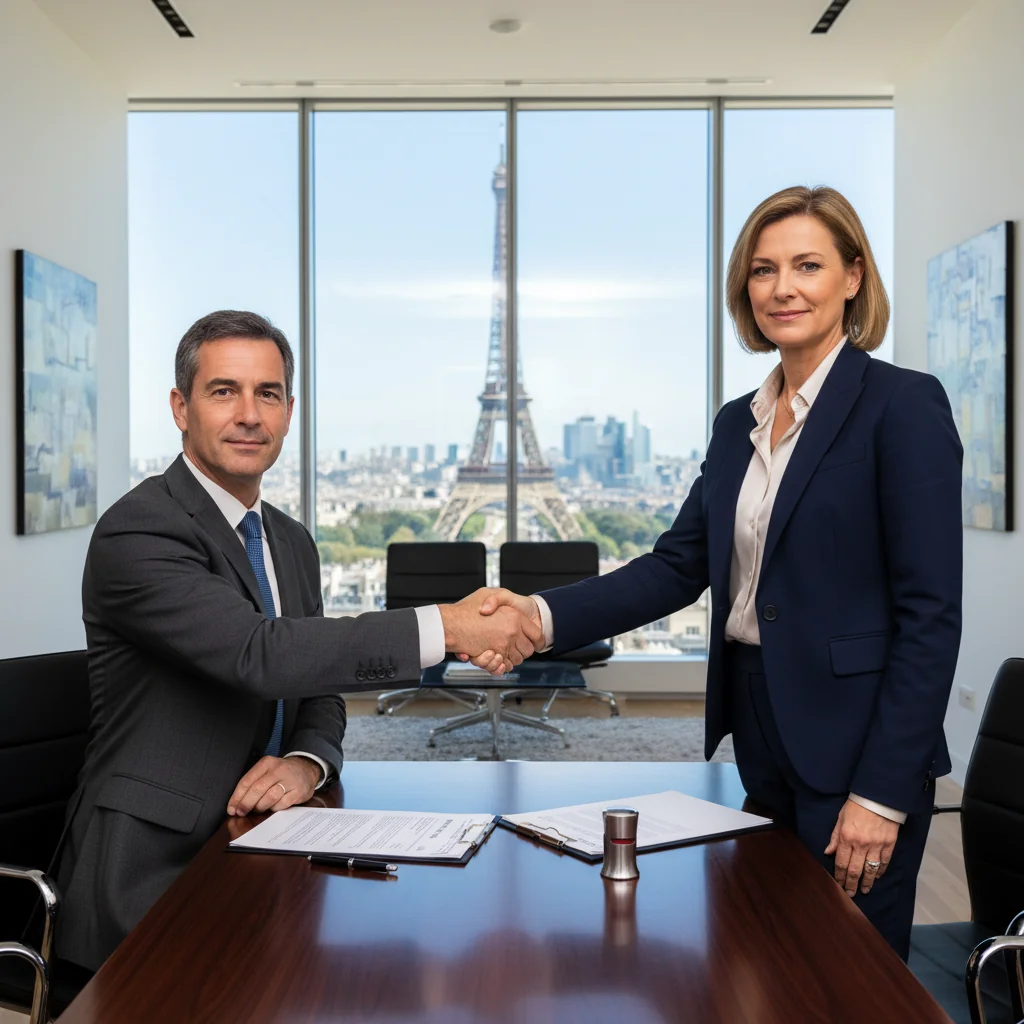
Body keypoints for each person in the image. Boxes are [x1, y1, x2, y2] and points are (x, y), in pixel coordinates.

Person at [472, 186, 963, 960]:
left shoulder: (901, 405)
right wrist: (539, 618)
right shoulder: (740, 422)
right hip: (762, 723)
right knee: (764, 955)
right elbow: (679, 566)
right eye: (763, 270)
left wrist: (881, 793)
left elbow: (931, 616)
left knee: (848, 977)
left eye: (808, 264)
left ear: (854, 276)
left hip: (857, 739)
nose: (783, 287)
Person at [57, 310, 542, 970]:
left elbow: (318, 686)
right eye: (224, 391)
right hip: (153, 877)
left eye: (269, 393)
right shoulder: (139, 531)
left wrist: (307, 762)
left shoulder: (290, 541)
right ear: (181, 407)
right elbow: (263, 655)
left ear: (290, 411)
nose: (249, 415)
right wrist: (449, 626)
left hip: (272, 845)